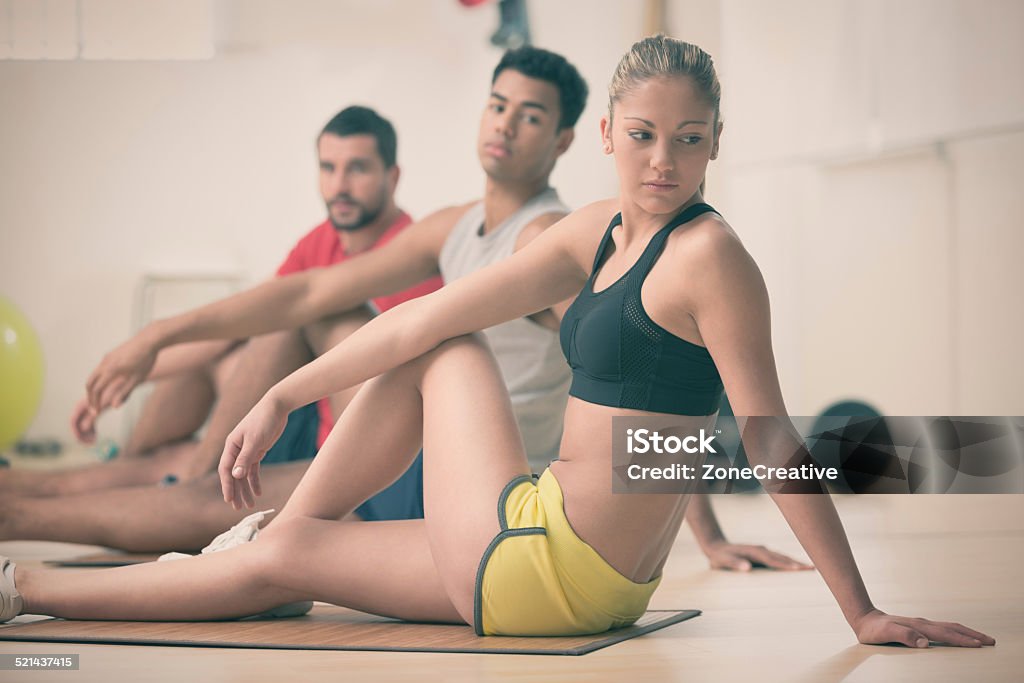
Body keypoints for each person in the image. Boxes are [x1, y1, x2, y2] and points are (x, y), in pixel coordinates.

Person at [4, 36, 989, 645]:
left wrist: (856, 606)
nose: (664, 158)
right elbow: (446, 318)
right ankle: (22, 584)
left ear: (715, 142)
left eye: (689, 138)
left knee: (443, 352)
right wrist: (277, 393)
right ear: (608, 134)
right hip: (540, 544)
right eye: (644, 134)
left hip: (548, 563)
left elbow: (764, 438)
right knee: (283, 560)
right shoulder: (593, 230)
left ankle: (274, 521)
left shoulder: (710, 258)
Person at [0, 46, 792, 576]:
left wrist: (707, 534)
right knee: (183, 458)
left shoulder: (554, 238)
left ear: (566, 142)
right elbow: (311, 290)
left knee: (201, 500)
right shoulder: (453, 224)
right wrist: (163, 333)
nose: (506, 124)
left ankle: (62, 510)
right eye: (498, 104)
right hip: (398, 450)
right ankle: (57, 493)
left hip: (456, 477)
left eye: (530, 116)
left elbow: (638, 381)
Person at [0, 105, 442, 498]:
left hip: (345, 446)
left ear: (393, 176)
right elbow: (238, 325)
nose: (339, 184)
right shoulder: (321, 240)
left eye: (357, 169)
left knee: (270, 333)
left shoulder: (409, 258)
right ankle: (154, 473)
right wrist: (123, 377)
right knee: (165, 438)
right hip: (302, 419)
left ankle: (192, 486)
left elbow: (384, 400)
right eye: (328, 168)